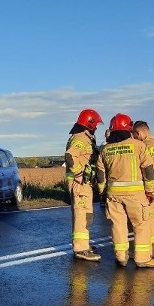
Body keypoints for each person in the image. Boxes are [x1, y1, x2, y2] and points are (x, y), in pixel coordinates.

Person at [96, 113, 154, 268]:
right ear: (129, 127)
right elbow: (148, 170)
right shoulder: (138, 145)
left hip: (113, 195)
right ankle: (142, 258)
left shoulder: (105, 149)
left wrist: (102, 193)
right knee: (140, 225)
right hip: (136, 195)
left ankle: (121, 257)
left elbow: (100, 175)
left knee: (118, 226)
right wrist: (150, 190)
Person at [65, 108, 103, 261]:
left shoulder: (84, 137)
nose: (97, 127)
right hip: (79, 183)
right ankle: (81, 249)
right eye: (96, 125)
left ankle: (82, 244)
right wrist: (78, 173)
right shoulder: (81, 138)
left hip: (84, 184)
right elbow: (70, 156)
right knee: (81, 215)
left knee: (84, 215)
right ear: (90, 123)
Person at [132, 120, 154, 257]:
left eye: (134, 135)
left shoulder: (142, 146)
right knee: (152, 218)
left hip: (144, 188)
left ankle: (143, 252)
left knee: (143, 220)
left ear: (138, 132)